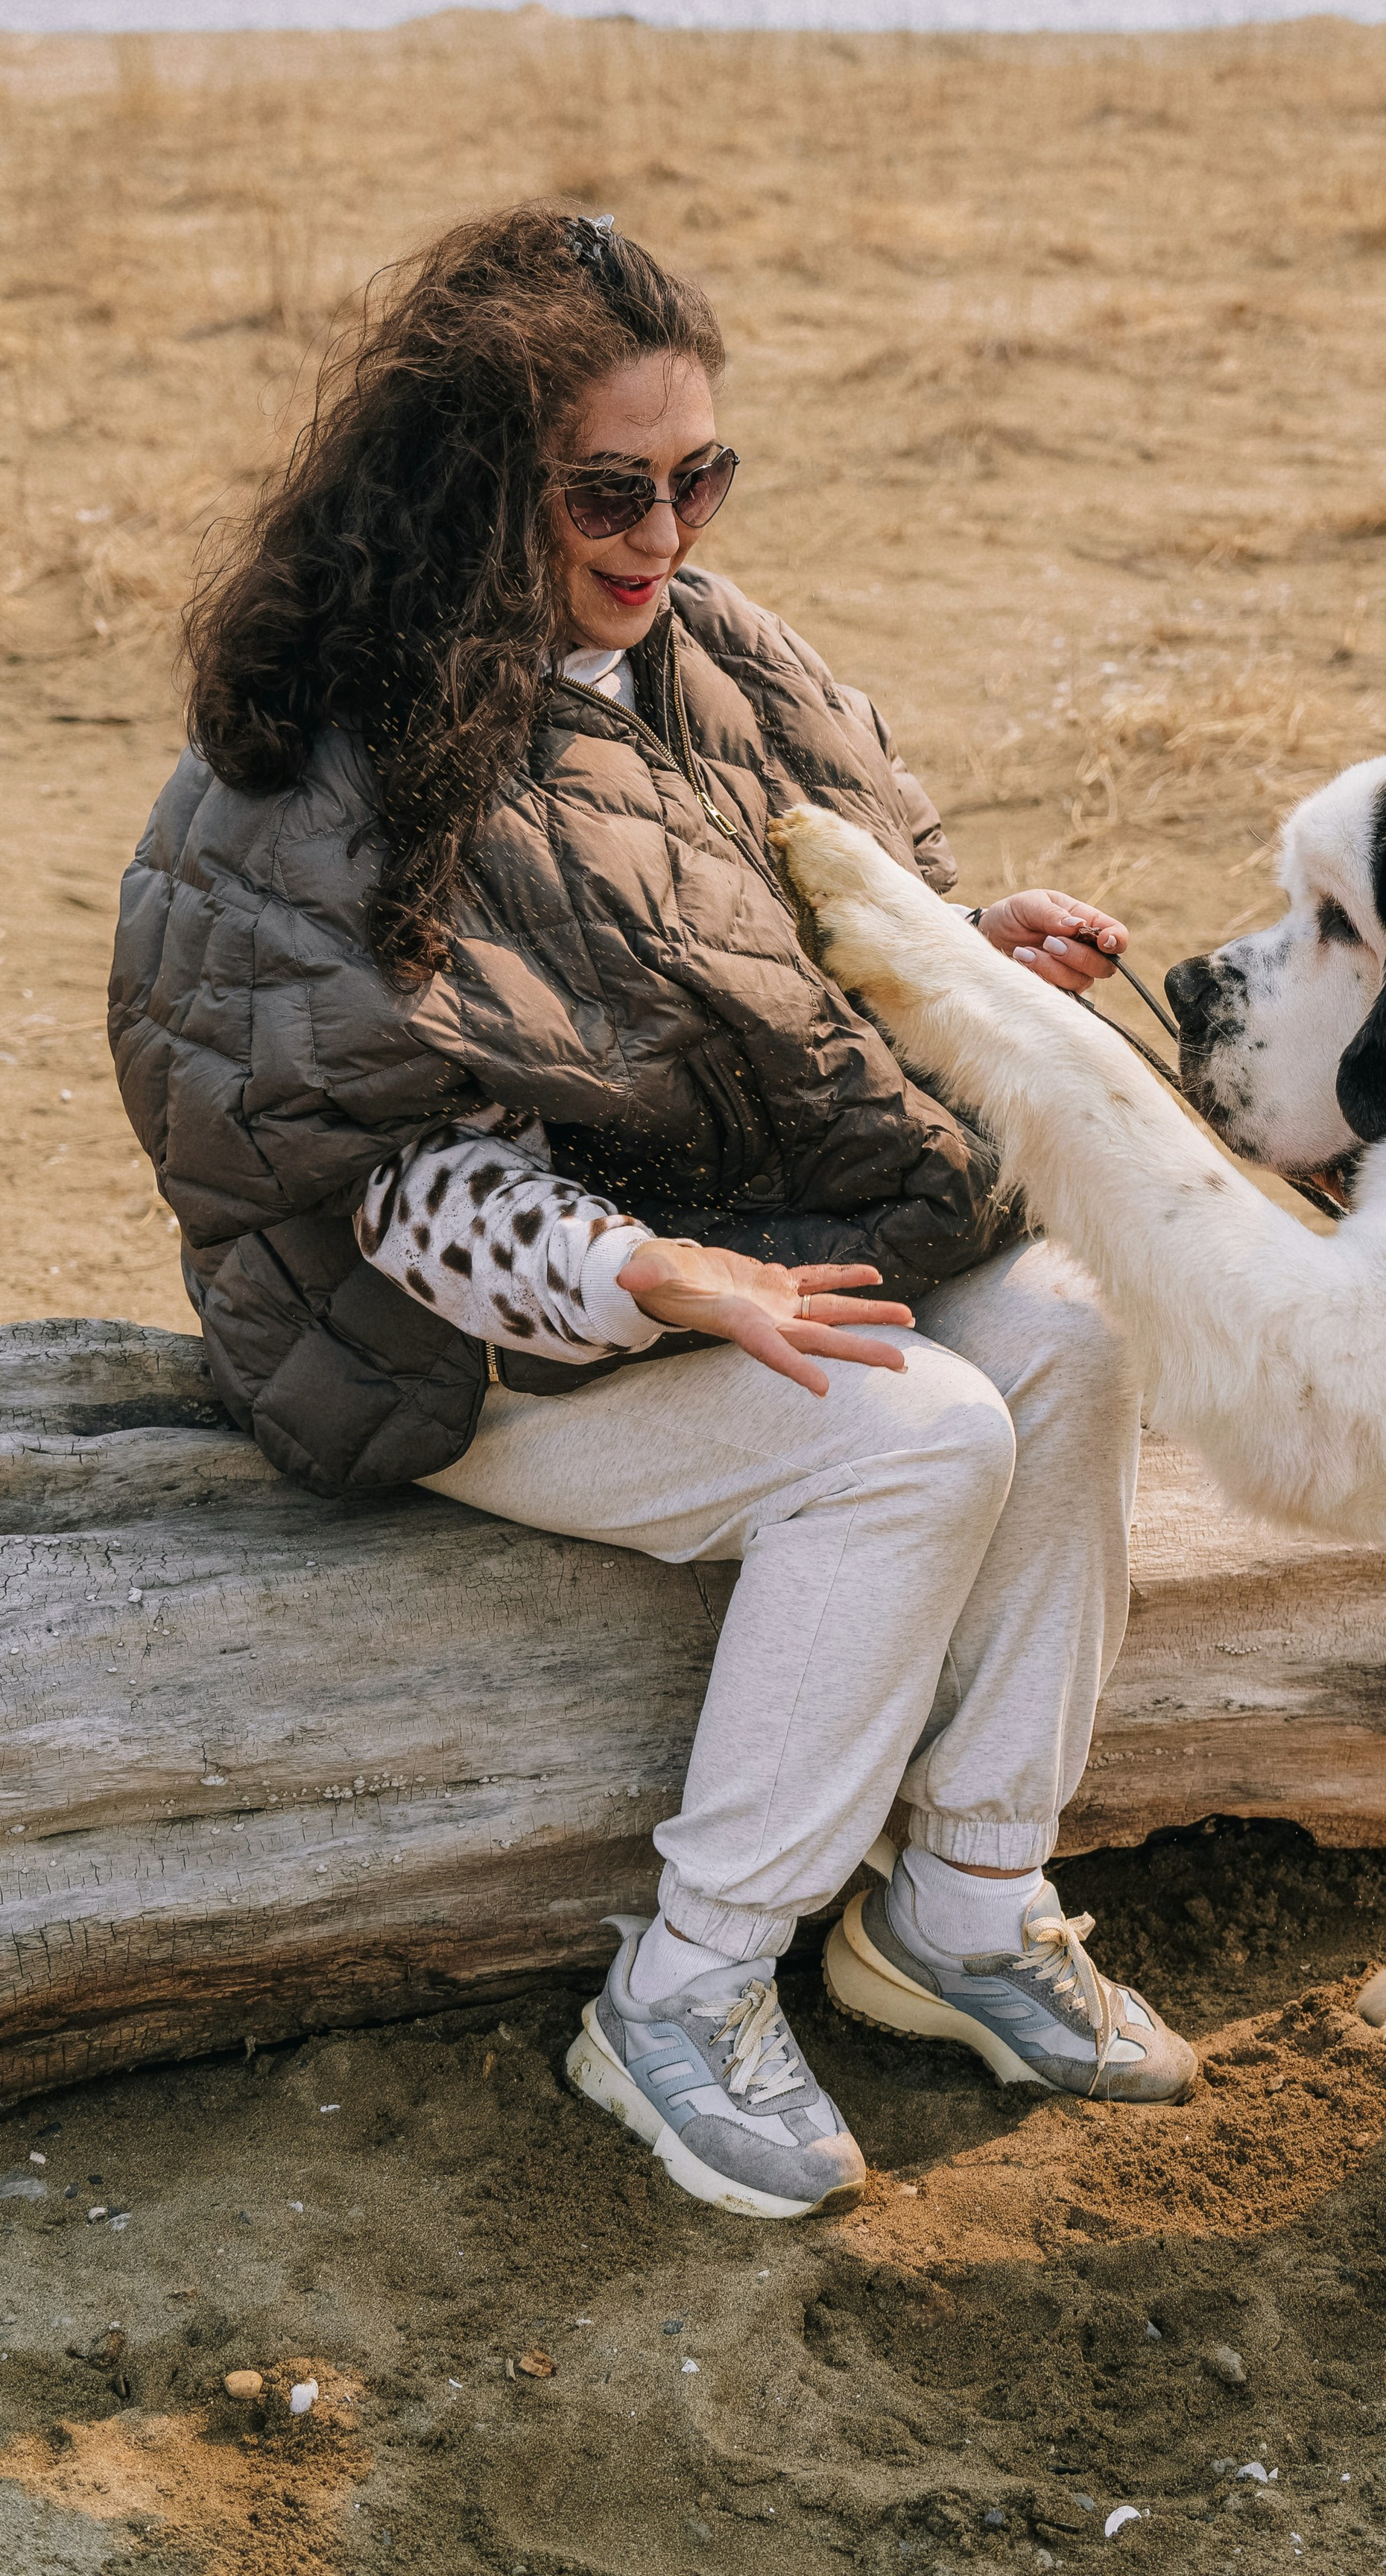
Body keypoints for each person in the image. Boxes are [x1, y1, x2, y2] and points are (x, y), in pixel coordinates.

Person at [110, 205, 1196, 2221]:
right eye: (612, 489)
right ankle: (684, 1996)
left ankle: (963, 1908)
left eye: (703, 475)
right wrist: (659, 1276)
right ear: (467, 486)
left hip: (730, 1243)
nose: (669, 530)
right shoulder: (317, 760)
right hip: (453, 1333)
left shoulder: (707, 655)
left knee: (1068, 1329)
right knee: (917, 1440)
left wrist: (960, 950)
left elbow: (742, 952)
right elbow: (367, 1175)